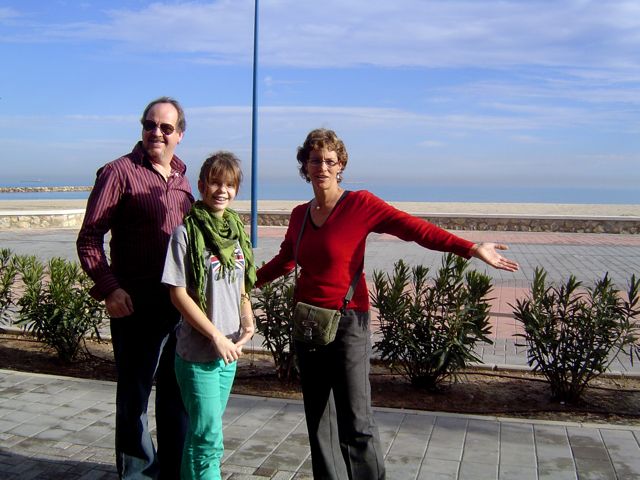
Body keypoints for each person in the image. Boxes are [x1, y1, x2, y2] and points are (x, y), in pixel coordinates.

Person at [255, 128, 520, 480]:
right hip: (309, 326)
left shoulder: (360, 204)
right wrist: (243, 282)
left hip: (348, 323)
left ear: (341, 165)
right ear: (305, 165)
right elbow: (285, 261)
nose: (321, 166)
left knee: (356, 421)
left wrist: (470, 248)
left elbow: (414, 229)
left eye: (329, 160)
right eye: (314, 160)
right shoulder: (299, 214)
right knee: (319, 419)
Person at [76, 97, 194, 479]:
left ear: (180, 134)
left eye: (165, 127)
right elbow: (90, 238)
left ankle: (173, 472)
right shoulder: (118, 172)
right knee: (135, 399)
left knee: (178, 400)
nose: (156, 132)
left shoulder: (182, 179)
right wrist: (110, 289)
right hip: (135, 306)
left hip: (180, 307)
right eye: (149, 125)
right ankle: (138, 474)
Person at [162, 151, 257, 479]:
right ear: (201, 185)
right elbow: (178, 294)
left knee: (201, 435)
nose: (222, 190)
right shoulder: (185, 234)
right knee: (208, 436)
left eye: (229, 185)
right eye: (215, 182)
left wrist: (247, 318)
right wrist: (215, 335)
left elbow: (240, 285)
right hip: (197, 355)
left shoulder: (236, 233)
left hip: (228, 353)